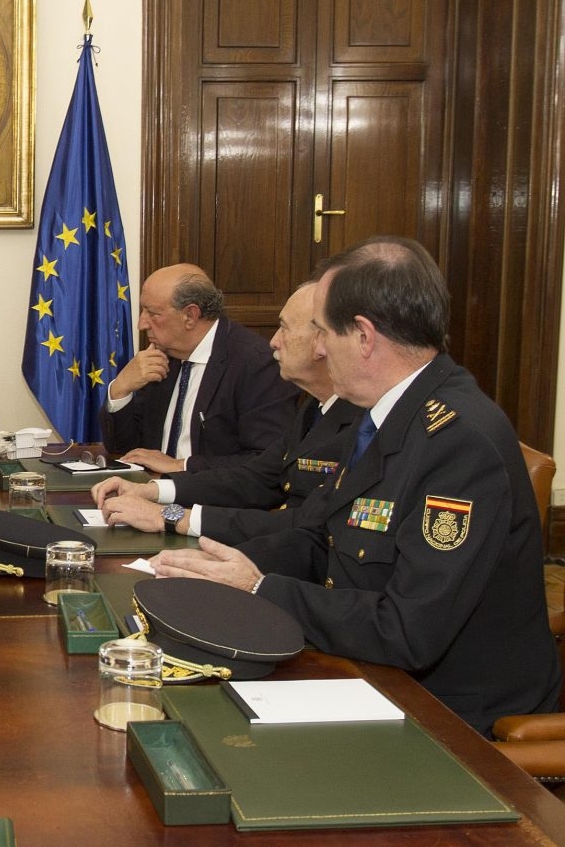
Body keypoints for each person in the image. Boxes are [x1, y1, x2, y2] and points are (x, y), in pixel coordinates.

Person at [153, 237, 560, 734]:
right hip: (366, 669)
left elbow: (408, 629)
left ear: (364, 337)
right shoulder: (380, 413)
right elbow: (317, 536)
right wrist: (220, 568)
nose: (316, 348)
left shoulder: (458, 442)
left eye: (322, 333)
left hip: (449, 717)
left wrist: (260, 588)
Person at [92, 281, 361, 543]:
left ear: (323, 341)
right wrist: (152, 491)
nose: (273, 342)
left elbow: (303, 524)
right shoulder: (315, 408)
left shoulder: (359, 421)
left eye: (284, 328)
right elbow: (255, 477)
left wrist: (170, 516)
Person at [100, 263, 296, 473]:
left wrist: (181, 465)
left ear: (190, 316)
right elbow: (125, 450)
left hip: (210, 500)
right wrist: (120, 389)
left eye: (152, 313)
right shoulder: (161, 357)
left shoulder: (255, 364)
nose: (142, 324)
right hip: (149, 489)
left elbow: (266, 460)